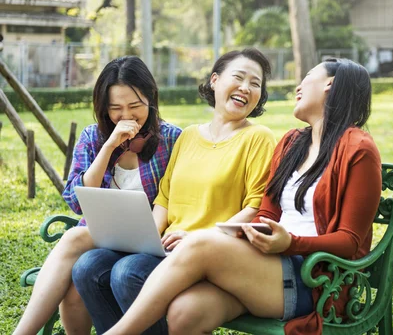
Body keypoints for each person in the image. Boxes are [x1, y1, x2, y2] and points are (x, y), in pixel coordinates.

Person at [100, 58, 382, 335]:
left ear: (329, 85)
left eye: (307, 76)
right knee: (185, 313)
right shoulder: (293, 142)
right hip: (266, 267)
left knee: (200, 244)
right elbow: (267, 215)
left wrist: (291, 243)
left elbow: (350, 241)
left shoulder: (358, 148)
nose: (299, 85)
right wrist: (245, 234)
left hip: (315, 280)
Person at [71, 48, 277, 334]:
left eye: (255, 83)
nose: (246, 87)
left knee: (127, 273)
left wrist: (197, 238)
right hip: (166, 249)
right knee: (87, 267)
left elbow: (254, 208)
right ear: (215, 80)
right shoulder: (189, 135)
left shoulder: (258, 138)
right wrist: (145, 242)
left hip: (209, 254)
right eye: (239, 77)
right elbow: (165, 199)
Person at [13, 56, 182, 335]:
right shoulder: (94, 137)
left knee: (74, 237)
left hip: (152, 240)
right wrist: (109, 147)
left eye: (135, 106)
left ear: (150, 99)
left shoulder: (171, 139)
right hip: (102, 240)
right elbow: (77, 202)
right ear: (104, 108)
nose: (126, 115)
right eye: (116, 108)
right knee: (75, 285)